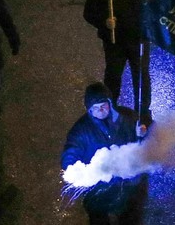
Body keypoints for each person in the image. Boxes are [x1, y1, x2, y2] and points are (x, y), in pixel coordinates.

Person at [61, 83, 147, 225]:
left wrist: (142, 133)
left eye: (103, 105)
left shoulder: (128, 117)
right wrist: (71, 167)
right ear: (89, 109)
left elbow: (145, 140)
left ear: (110, 103)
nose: (100, 110)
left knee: (131, 217)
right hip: (99, 189)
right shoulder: (81, 130)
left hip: (128, 182)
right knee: (98, 218)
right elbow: (71, 150)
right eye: (95, 108)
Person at [83, 0, 150, 123]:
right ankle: (109, 111)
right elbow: (88, 13)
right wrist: (104, 22)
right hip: (115, 42)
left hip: (138, 39)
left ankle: (143, 114)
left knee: (141, 76)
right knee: (113, 77)